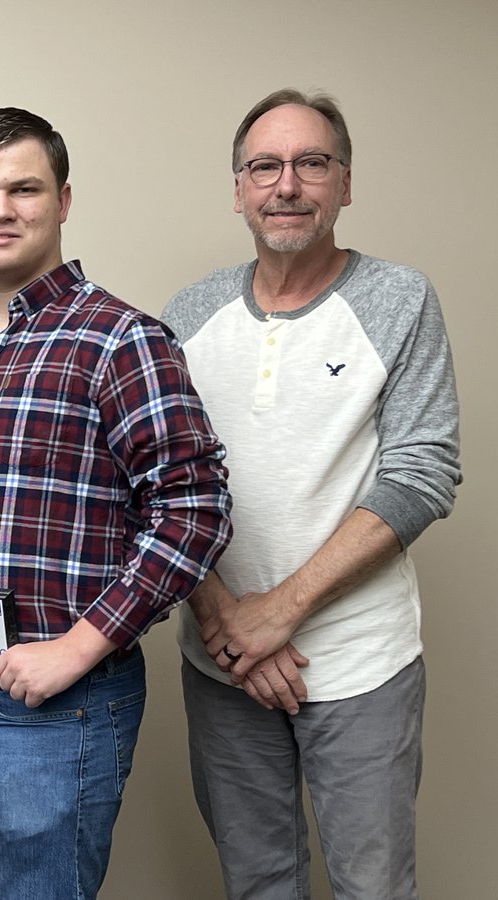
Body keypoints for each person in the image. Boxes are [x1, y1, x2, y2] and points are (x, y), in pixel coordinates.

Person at [0, 107, 232, 899]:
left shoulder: (121, 341)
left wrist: (78, 647)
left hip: (56, 710)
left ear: (63, 199)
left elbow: (194, 508)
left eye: (24, 189)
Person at [161, 89, 462, 900]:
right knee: (256, 883)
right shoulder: (187, 315)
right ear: (238, 189)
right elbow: (157, 486)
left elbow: (423, 472)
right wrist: (230, 625)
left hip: (362, 665)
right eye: (265, 167)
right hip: (222, 667)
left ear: (346, 183)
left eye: (311, 163)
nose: (287, 185)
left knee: (373, 886)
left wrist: (278, 613)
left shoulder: (399, 299)